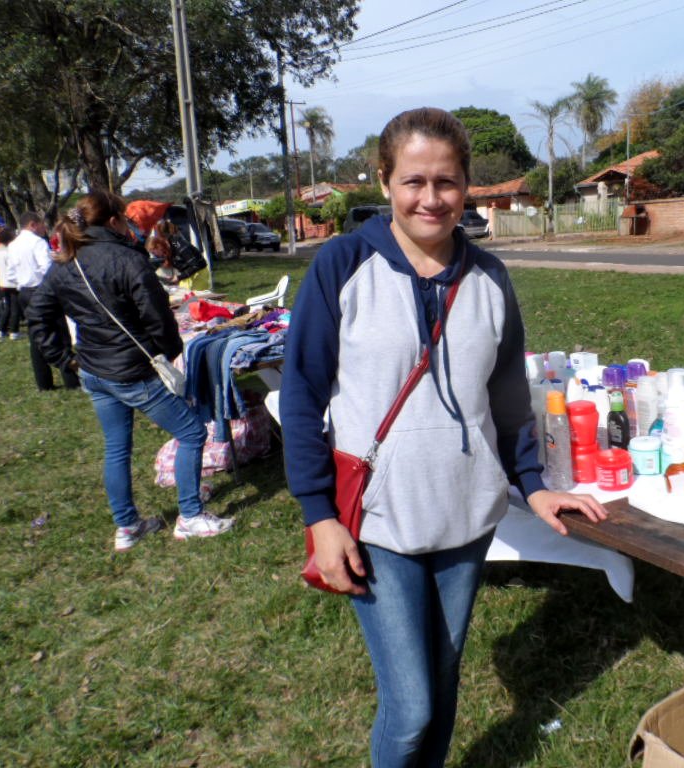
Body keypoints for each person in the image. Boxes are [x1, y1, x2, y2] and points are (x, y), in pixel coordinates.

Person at [280, 107, 607, 768]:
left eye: (447, 182)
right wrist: (320, 516)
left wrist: (533, 487)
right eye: (413, 181)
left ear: (466, 187)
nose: (431, 198)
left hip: (464, 513)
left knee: (445, 682)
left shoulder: (489, 277)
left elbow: (506, 396)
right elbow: (301, 394)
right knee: (411, 708)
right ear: (384, 182)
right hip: (376, 518)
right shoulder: (341, 264)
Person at [25, 191, 235, 551]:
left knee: (117, 448)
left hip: (94, 369)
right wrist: (167, 353)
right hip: (130, 371)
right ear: (113, 222)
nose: (129, 225)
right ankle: (190, 516)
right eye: (125, 218)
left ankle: (127, 526)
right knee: (192, 432)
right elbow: (158, 317)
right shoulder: (127, 259)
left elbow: (36, 316)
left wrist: (66, 360)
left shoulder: (64, 264)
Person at [7, 211, 80, 390]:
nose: (43, 228)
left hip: (23, 291)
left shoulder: (13, 245)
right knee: (59, 333)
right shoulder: (37, 242)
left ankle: (44, 383)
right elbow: (47, 268)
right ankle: (71, 381)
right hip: (42, 290)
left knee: (36, 337)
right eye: (41, 225)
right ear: (33, 224)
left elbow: (10, 273)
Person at [0, 227, 21, 339]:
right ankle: (14, 331)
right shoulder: (9, 252)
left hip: (2, 282)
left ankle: (1, 329)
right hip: (13, 283)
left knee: (7, 307)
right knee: (15, 308)